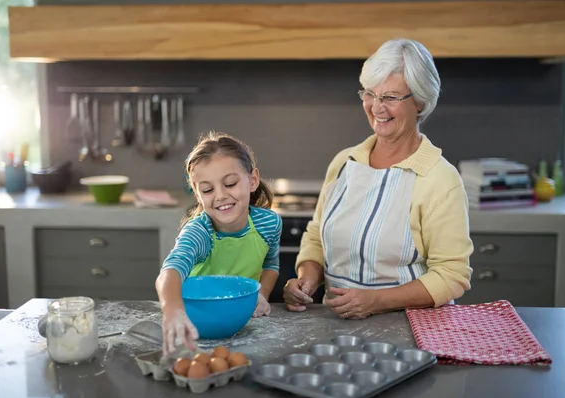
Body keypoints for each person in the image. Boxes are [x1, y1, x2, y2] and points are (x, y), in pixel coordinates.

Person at [283, 38, 473, 319]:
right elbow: (316, 237)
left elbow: (452, 275)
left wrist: (377, 300)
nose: (376, 107)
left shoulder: (440, 179)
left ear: (420, 101)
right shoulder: (344, 163)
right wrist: (306, 279)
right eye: (370, 94)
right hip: (334, 327)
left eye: (391, 97)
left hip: (409, 330)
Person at [156, 131, 282, 355]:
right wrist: (172, 310)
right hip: (198, 329)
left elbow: (270, 265)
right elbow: (170, 271)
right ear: (197, 193)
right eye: (207, 190)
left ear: (252, 180)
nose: (221, 196)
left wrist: (262, 295)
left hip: (245, 327)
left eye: (230, 184)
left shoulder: (269, 224)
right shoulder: (200, 232)